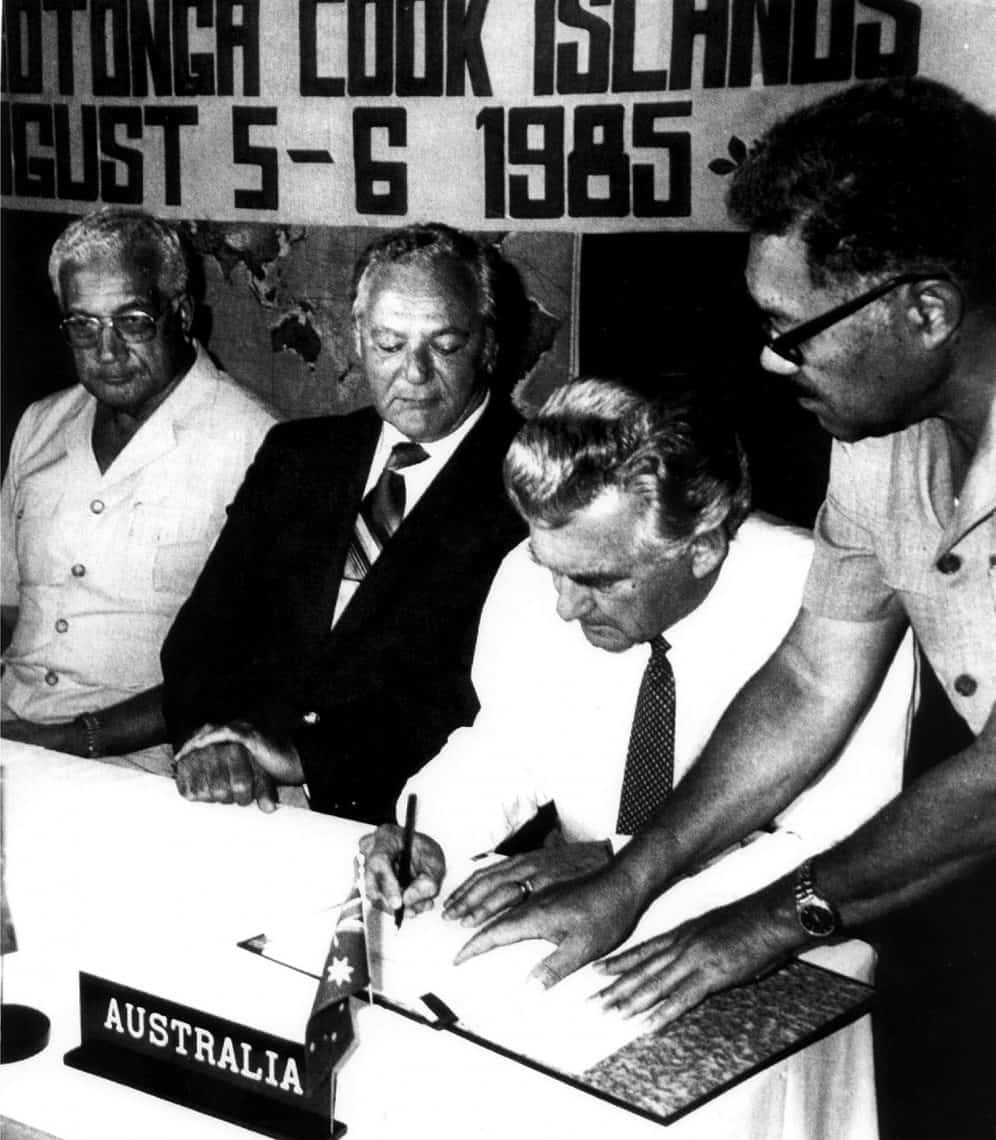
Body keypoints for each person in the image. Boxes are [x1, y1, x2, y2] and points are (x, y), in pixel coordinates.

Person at [456, 78, 996, 1139]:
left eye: (792, 331)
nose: (767, 358)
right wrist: (631, 877)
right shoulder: (876, 443)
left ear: (925, 310)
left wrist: (757, 925)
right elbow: (810, 678)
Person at [362, 376, 914, 945]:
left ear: (701, 549)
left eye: (598, 581)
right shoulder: (535, 574)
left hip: (779, 939)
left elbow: (835, 843)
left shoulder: (832, 607)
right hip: (582, 910)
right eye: (549, 566)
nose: (563, 604)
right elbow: (507, 745)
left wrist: (622, 868)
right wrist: (429, 831)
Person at [162, 223, 527, 822]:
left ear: (488, 343)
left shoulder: (530, 486)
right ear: (356, 338)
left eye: (446, 344)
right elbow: (200, 638)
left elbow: (487, 710)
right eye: (388, 343)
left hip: (411, 823)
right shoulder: (298, 455)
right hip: (242, 801)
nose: (413, 371)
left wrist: (307, 758)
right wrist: (214, 746)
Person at [0, 207, 276, 774]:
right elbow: (6, 606)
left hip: (153, 766)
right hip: (13, 737)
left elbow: (248, 671)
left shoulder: (259, 444)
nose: (106, 351)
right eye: (83, 325)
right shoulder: (40, 424)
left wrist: (67, 741)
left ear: (181, 314)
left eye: (131, 321)